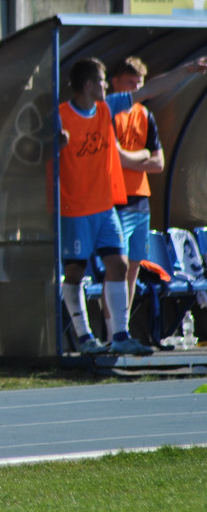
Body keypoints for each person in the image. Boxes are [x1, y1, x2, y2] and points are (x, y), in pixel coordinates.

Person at [58, 56, 207, 356]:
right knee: (74, 271)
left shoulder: (106, 108)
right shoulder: (61, 116)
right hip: (76, 208)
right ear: (89, 85)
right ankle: (84, 336)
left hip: (105, 208)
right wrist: (54, 142)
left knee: (119, 265)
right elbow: (31, 147)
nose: (104, 86)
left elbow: (147, 91)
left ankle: (120, 335)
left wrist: (186, 69)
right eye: (101, 81)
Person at [108, 57, 164, 340]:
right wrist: (141, 156)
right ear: (115, 82)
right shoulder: (109, 111)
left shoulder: (144, 115)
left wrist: (135, 158)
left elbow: (159, 163)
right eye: (130, 84)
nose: (136, 89)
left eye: (139, 84)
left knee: (133, 269)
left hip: (140, 199)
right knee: (115, 266)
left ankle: (123, 329)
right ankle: (112, 332)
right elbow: (114, 157)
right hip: (114, 198)